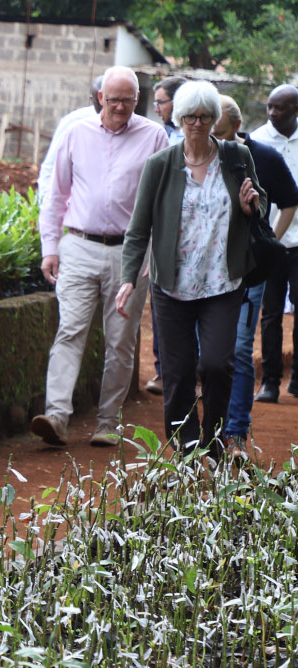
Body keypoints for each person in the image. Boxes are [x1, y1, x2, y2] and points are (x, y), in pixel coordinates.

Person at [118, 81, 266, 453]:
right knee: (178, 372)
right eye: (189, 117)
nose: (197, 124)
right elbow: (138, 229)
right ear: (179, 119)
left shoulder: (236, 157)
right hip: (171, 286)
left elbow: (256, 202)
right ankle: (185, 449)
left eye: (204, 116)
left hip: (222, 282)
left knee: (217, 364)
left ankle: (214, 442)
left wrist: (252, 205)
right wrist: (128, 280)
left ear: (215, 119)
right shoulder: (160, 166)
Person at [31, 66, 169, 448]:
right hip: (78, 245)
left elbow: (162, 202)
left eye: (127, 99)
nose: (119, 106)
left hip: (130, 252)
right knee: (69, 330)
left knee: (120, 340)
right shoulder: (76, 132)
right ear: (100, 98)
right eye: (113, 99)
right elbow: (56, 194)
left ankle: (108, 421)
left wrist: (149, 257)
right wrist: (50, 248)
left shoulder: (155, 136)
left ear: (137, 100)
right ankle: (56, 416)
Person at [213, 94, 298, 454]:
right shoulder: (195, 155)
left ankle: (235, 433)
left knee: (243, 345)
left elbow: (289, 201)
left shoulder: (262, 156)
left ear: (235, 126)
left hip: (255, 263)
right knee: (215, 353)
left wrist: (268, 242)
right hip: (207, 271)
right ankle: (211, 430)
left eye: (218, 131)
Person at [252, 84, 298, 403]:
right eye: (269, 106)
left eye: (279, 108)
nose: (272, 113)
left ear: (295, 110)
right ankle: (269, 381)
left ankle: (297, 378)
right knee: (269, 313)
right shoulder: (256, 141)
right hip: (269, 243)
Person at [145, 75, 189, 396]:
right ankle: (164, 371)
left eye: (161, 101)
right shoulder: (156, 136)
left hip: (197, 236)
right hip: (162, 234)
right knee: (162, 304)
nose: (157, 108)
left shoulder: (200, 138)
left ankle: (194, 371)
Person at [37, 76, 103, 205]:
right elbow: (50, 168)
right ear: (93, 99)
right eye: (98, 101)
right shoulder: (75, 122)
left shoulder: (140, 130)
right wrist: (46, 205)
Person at [154, 76, 187, 144]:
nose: (156, 110)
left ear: (177, 102)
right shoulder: (161, 135)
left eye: (160, 103)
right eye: (156, 104)